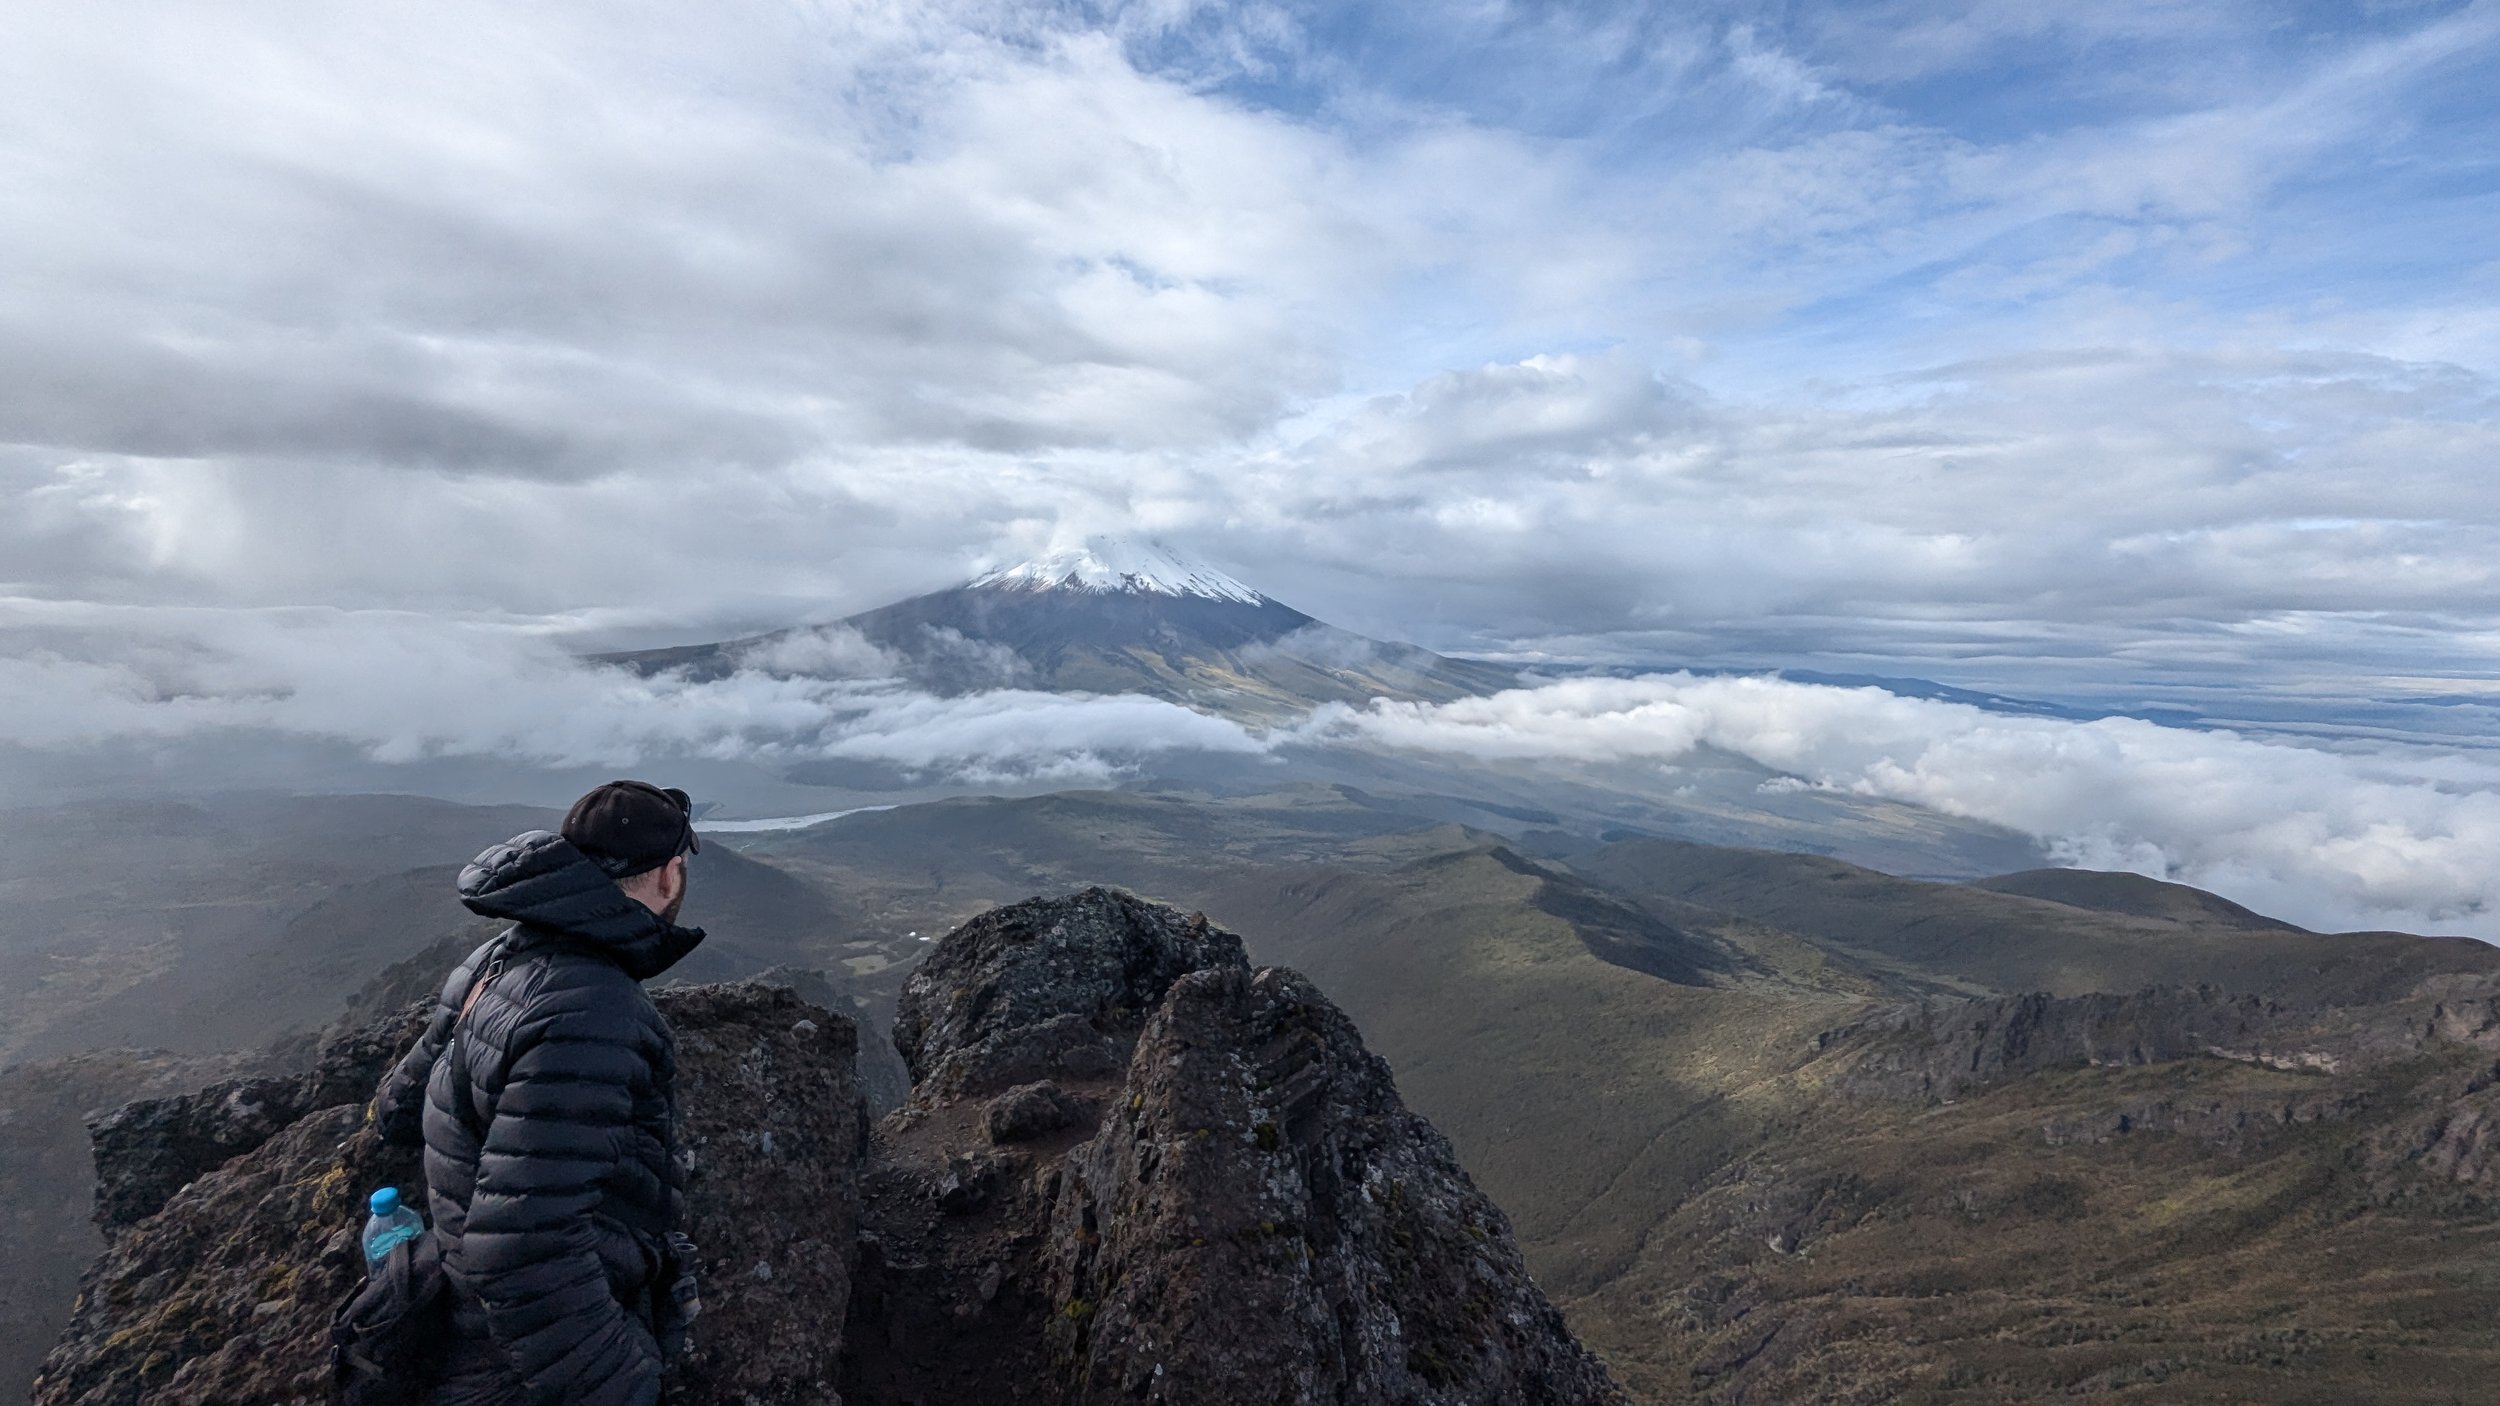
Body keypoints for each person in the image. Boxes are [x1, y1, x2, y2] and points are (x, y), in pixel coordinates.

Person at [376, 780, 707, 1406]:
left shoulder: (496, 960)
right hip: (517, 1356)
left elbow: (395, 1107)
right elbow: (526, 1250)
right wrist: (627, 1384)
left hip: (461, 1307)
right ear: (669, 876)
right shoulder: (594, 1012)